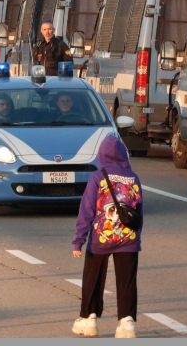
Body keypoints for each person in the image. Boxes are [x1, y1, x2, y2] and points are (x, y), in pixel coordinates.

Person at [72, 134, 143, 338]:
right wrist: (136, 237)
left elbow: (86, 211)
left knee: (93, 277)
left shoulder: (97, 177)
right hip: (128, 239)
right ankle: (127, 322)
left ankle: (89, 319)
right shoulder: (133, 177)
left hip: (100, 239)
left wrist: (79, 240)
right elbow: (139, 211)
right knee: (127, 281)